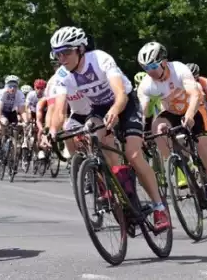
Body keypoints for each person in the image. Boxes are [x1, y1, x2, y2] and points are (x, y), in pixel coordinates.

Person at [48, 27, 170, 232]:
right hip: (99, 108)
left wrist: (115, 110)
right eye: (58, 54)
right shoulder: (62, 75)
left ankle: (159, 207)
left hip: (125, 104)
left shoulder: (99, 59)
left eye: (67, 52)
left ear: (80, 49)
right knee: (95, 142)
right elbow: (60, 111)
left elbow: (120, 94)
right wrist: (52, 131)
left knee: (132, 154)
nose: (62, 58)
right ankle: (116, 190)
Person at [137, 42, 207, 223]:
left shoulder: (179, 69)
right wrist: (140, 132)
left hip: (195, 109)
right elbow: (144, 110)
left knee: (205, 150)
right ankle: (178, 167)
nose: (150, 71)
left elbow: (196, 95)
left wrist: (189, 116)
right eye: (145, 68)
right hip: (172, 112)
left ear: (164, 62)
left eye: (153, 66)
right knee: (157, 127)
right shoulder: (147, 84)